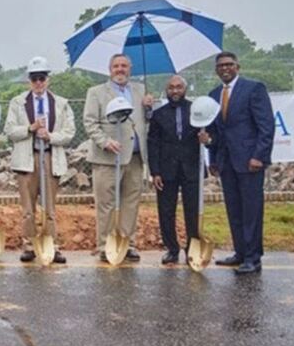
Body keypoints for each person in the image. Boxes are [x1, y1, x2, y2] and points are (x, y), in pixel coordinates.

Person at [203, 52, 274, 275]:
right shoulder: (214, 95)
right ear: (216, 70)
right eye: (220, 66)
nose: (225, 68)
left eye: (229, 65)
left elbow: (266, 126)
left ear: (237, 66)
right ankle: (240, 253)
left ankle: (254, 258)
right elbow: (216, 131)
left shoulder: (254, 89)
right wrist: (212, 155)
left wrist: (259, 156)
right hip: (226, 163)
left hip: (249, 161)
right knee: (234, 210)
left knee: (251, 210)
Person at [4, 57, 75, 263]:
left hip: (50, 157)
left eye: (41, 78)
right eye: (34, 78)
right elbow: (9, 131)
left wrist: (50, 137)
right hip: (27, 159)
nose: (38, 83)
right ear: (29, 80)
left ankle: (52, 244)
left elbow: (69, 132)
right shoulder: (18, 103)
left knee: (50, 208)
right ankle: (29, 245)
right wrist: (30, 128)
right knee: (28, 208)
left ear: (48, 80)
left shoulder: (61, 104)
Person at [83, 54, 153, 263]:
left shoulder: (140, 90)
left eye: (124, 66)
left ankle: (127, 243)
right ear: (109, 69)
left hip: (135, 156)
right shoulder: (96, 93)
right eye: (116, 66)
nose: (120, 69)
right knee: (106, 204)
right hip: (108, 157)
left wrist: (149, 108)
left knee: (131, 203)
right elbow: (90, 123)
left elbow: (145, 121)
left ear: (130, 68)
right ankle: (105, 245)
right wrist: (105, 141)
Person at [148, 75, 203, 265]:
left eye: (179, 87)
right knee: (166, 211)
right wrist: (155, 172)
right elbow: (153, 144)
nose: (175, 91)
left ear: (185, 89)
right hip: (166, 170)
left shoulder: (196, 110)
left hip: (191, 168)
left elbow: (207, 136)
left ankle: (193, 248)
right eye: (171, 88)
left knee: (193, 210)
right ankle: (172, 249)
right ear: (166, 90)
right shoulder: (159, 114)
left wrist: (206, 137)